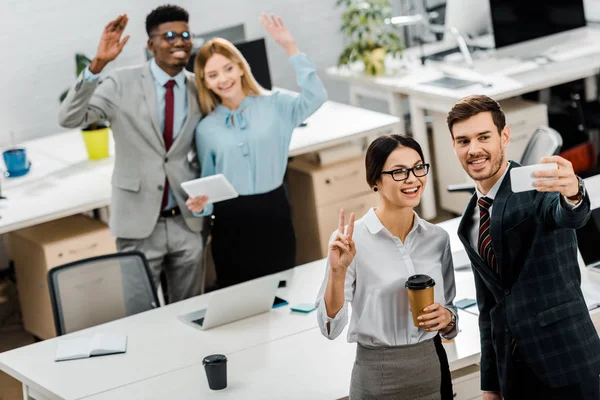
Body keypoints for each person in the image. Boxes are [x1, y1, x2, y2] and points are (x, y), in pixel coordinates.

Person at [446, 95, 600, 399]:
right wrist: (491, 384)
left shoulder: (536, 188)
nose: (474, 149)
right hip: (514, 374)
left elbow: (567, 214)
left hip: (566, 362)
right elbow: (488, 310)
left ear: (504, 137)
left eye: (484, 137)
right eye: (463, 141)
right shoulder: (468, 222)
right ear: (454, 146)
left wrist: (573, 192)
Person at [58, 6, 205, 303]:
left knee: (193, 310)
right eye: (169, 36)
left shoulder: (199, 86)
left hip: (186, 222)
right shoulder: (121, 83)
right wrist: (97, 65)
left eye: (185, 34)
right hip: (137, 223)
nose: (179, 41)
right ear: (151, 45)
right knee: (140, 314)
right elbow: (69, 118)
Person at [185, 13, 327, 289]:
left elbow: (316, 96)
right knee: (238, 300)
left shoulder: (276, 105)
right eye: (213, 75)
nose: (223, 79)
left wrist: (290, 47)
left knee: (282, 292)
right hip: (230, 222)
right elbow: (210, 185)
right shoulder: (205, 129)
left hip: (273, 212)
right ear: (205, 81)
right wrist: (202, 206)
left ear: (240, 67)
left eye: (227, 68)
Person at [315, 135, 458, 400]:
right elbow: (330, 328)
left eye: (418, 168)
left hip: (432, 369)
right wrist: (337, 273)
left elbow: (450, 310)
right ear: (375, 180)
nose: (413, 179)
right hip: (377, 376)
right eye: (399, 172)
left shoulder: (437, 238)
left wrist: (448, 319)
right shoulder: (351, 241)